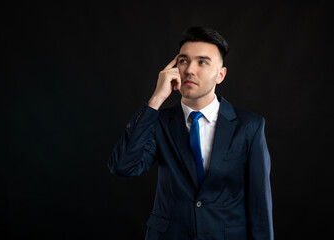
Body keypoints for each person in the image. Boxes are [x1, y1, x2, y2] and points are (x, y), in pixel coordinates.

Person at [108, 26, 273, 240]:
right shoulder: (159, 121)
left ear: (220, 75)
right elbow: (123, 165)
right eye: (184, 61)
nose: (189, 70)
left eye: (202, 62)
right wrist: (156, 100)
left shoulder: (249, 126)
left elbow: (259, 205)